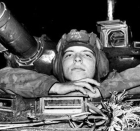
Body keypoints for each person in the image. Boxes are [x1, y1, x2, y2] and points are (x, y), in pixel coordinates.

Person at [0, 29, 140, 100]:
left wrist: (104, 89)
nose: (77, 59)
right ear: (59, 65)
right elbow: (3, 76)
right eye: (69, 54)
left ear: (99, 64)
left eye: (86, 54)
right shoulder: (45, 86)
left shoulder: (117, 86)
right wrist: (54, 87)